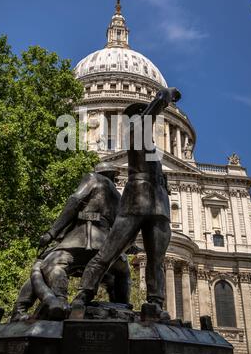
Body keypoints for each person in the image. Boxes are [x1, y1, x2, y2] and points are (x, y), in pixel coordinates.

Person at [71, 86, 181, 320]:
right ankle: (83, 293)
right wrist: (165, 96)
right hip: (135, 204)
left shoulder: (153, 152)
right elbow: (154, 107)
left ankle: (155, 303)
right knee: (108, 251)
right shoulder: (135, 132)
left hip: (158, 210)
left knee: (156, 260)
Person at [11, 162, 131, 321]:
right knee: (122, 273)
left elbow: (74, 201)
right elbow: (123, 224)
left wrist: (52, 233)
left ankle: (53, 301)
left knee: (45, 265)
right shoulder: (118, 195)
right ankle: (122, 307)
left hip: (84, 239)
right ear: (112, 175)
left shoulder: (93, 178)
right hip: (108, 246)